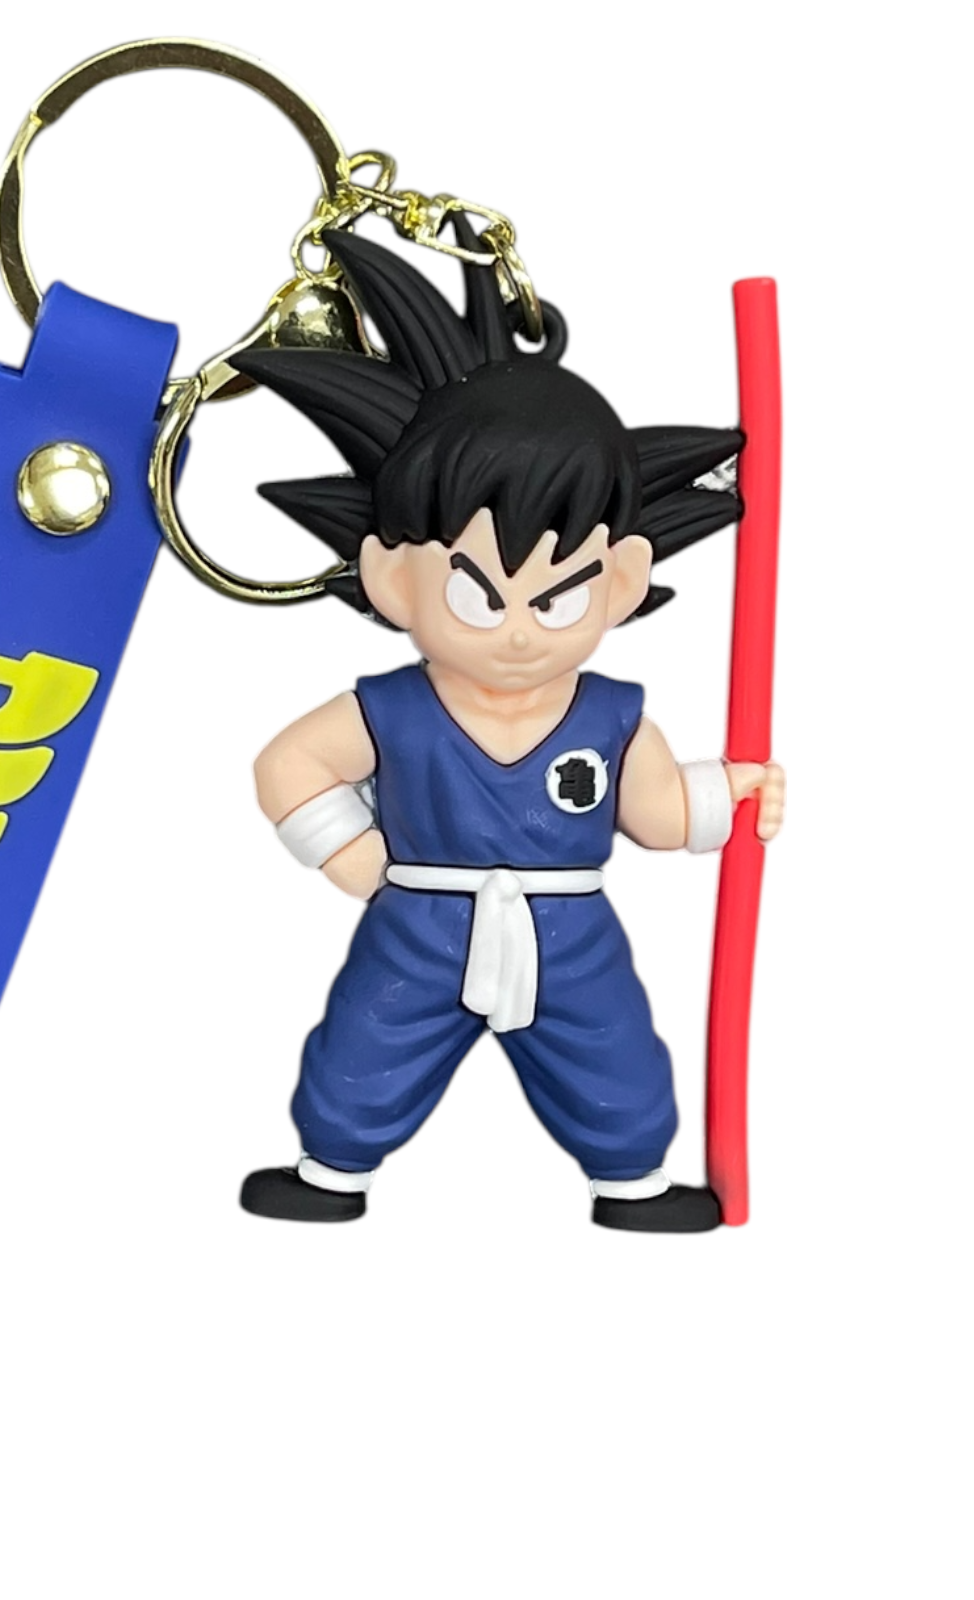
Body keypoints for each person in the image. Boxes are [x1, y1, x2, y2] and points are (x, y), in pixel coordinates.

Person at [233, 228, 784, 1232]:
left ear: (620, 580)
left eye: (558, 595)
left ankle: (631, 1180)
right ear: (393, 578)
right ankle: (329, 1168)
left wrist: (732, 793)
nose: (522, 630)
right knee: (367, 1048)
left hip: (570, 931)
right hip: (419, 923)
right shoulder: (392, 709)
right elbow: (289, 762)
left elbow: (658, 815)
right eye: (480, 596)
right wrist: (350, 854)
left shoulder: (612, 716)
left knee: (611, 1058)